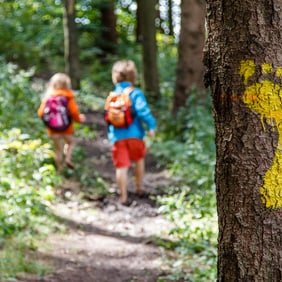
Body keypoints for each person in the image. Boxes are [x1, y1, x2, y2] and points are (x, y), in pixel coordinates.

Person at [107, 60, 156, 206]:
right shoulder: (135, 93)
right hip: (135, 135)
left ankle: (123, 197)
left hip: (117, 137)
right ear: (133, 76)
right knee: (139, 160)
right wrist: (151, 126)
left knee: (121, 167)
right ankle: (139, 188)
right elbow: (143, 111)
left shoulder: (113, 95)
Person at [37, 73, 86, 172]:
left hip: (53, 130)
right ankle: (67, 158)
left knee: (57, 149)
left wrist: (49, 123)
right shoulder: (68, 96)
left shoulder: (48, 97)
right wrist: (79, 119)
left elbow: (41, 112)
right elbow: (73, 112)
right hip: (67, 128)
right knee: (71, 142)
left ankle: (59, 169)